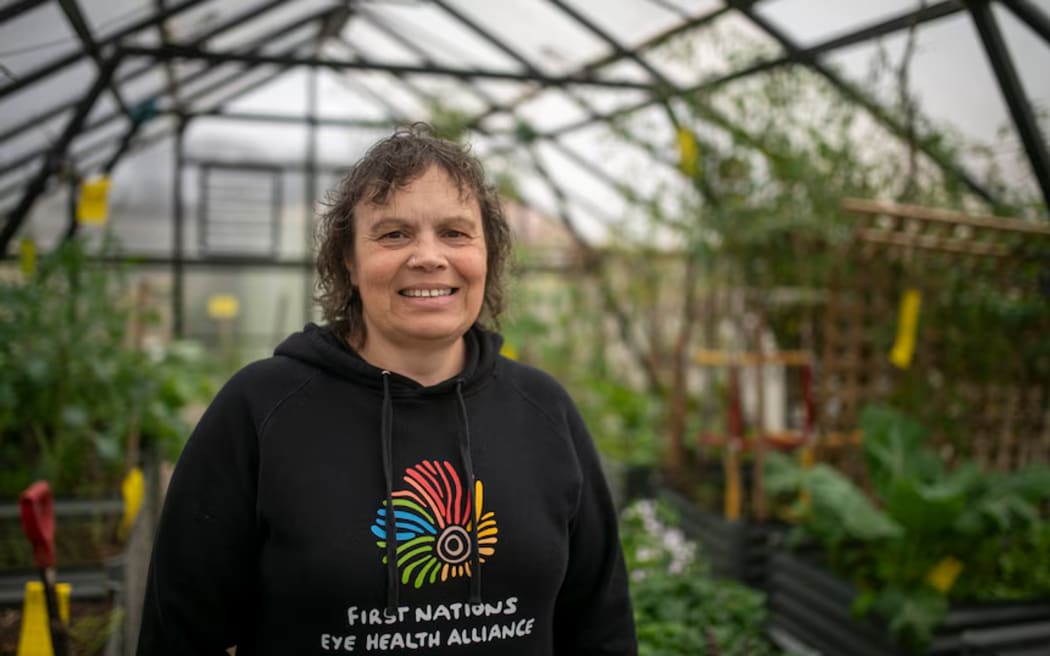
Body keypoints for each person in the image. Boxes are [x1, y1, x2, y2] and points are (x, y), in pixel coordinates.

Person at [137, 124, 637, 655]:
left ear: (487, 254)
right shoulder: (261, 410)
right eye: (394, 234)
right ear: (349, 262)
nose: (428, 256)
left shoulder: (543, 410)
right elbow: (179, 637)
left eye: (455, 233)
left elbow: (602, 631)